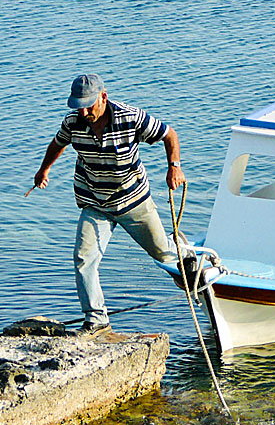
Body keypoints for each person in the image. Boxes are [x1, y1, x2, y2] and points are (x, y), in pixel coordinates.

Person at [33, 74, 185, 336]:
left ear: (103, 96)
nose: (83, 111)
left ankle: (185, 252)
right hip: (94, 201)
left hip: (133, 200)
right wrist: (43, 170)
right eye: (78, 105)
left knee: (164, 254)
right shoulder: (73, 123)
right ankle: (96, 320)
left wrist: (174, 168)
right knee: (84, 258)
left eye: (89, 105)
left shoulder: (131, 117)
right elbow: (58, 144)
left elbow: (169, 135)